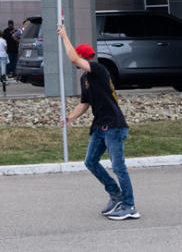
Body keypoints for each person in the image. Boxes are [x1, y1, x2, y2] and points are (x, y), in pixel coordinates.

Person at [56, 23, 138, 221]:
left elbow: (73, 57)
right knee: (90, 161)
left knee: (118, 167)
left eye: (78, 58)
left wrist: (64, 36)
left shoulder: (98, 70)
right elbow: (84, 104)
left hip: (114, 126)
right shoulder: (85, 78)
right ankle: (116, 195)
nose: (74, 61)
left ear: (85, 58)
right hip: (100, 126)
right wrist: (70, 118)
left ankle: (129, 206)